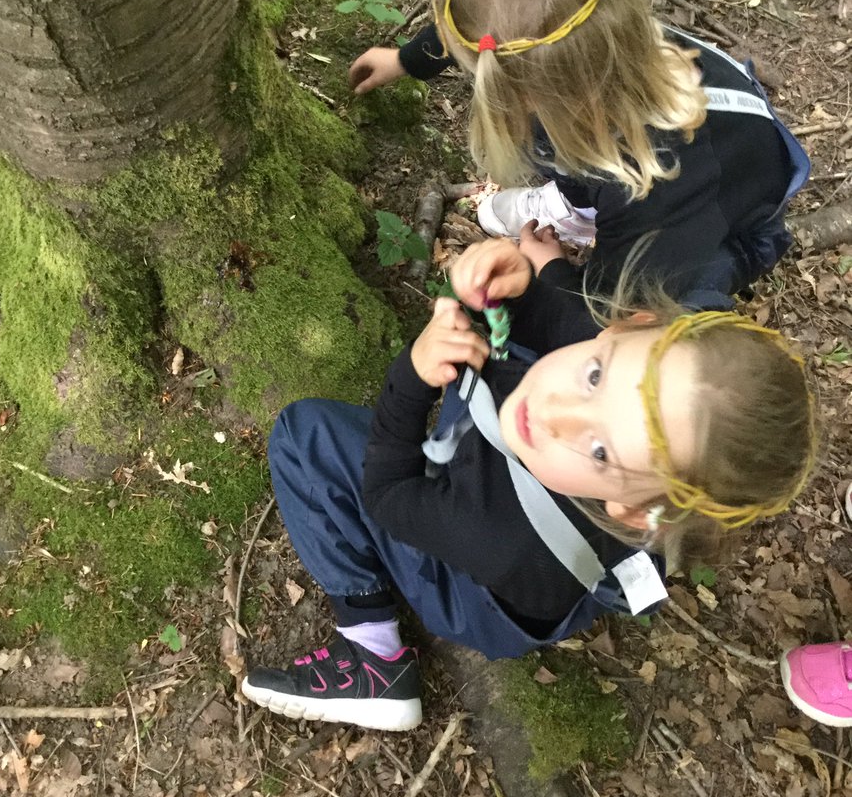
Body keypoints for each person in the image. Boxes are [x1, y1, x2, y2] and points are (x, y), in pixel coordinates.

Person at [242, 234, 816, 732]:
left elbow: (389, 495)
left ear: (631, 509)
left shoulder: (502, 536)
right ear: (625, 326)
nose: (554, 409)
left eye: (599, 449)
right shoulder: (650, 446)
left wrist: (413, 376)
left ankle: (371, 654)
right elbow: (561, 321)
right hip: (540, 552)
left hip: (471, 589)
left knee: (304, 433)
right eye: (594, 375)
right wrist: (527, 280)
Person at [349, 0, 809, 310]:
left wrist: (553, 273)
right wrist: (405, 61)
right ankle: (576, 203)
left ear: (534, 91)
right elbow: (486, 26)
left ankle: (590, 214)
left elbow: (605, 325)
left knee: (655, 302)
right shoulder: (592, 34)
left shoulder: (653, 190)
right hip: (628, 151)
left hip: (721, 222)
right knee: (559, 153)